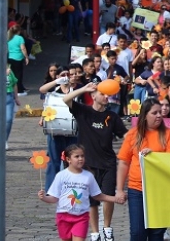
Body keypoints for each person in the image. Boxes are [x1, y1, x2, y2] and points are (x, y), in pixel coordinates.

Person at [63, 82, 128, 241]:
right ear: (94, 96)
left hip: (108, 163)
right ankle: (95, 232)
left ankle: (107, 228)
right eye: (103, 94)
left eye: (108, 95)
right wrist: (84, 88)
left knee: (108, 195)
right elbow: (66, 99)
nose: (106, 97)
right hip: (88, 164)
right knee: (91, 199)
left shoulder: (112, 116)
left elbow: (125, 135)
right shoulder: (83, 111)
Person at [117, 98, 170, 241]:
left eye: (160, 112)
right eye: (154, 112)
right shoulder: (133, 134)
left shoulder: (169, 134)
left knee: (156, 233)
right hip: (137, 189)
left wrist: (154, 155)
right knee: (138, 233)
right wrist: (119, 189)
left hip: (160, 190)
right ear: (145, 116)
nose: (159, 115)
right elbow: (123, 162)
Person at [38, 144, 123, 241]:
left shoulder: (88, 176)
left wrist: (115, 199)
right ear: (68, 159)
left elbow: (98, 195)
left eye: (82, 156)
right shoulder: (61, 176)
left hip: (81, 218)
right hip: (63, 217)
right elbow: (54, 197)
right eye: (77, 156)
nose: (80, 159)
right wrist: (44, 197)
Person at [38, 66, 83, 190]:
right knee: (54, 160)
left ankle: (72, 187)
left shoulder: (77, 89)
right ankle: (51, 189)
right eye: (64, 74)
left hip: (73, 131)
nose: (68, 77)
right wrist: (57, 81)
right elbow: (42, 90)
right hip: (54, 130)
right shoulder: (54, 89)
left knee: (73, 159)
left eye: (69, 74)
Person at [7, 24, 29, 95]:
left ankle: (13, 89)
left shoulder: (9, 38)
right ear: (19, 31)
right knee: (19, 74)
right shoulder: (20, 38)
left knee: (12, 75)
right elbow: (23, 48)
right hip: (18, 58)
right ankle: (19, 90)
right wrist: (26, 57)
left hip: (10, 57)